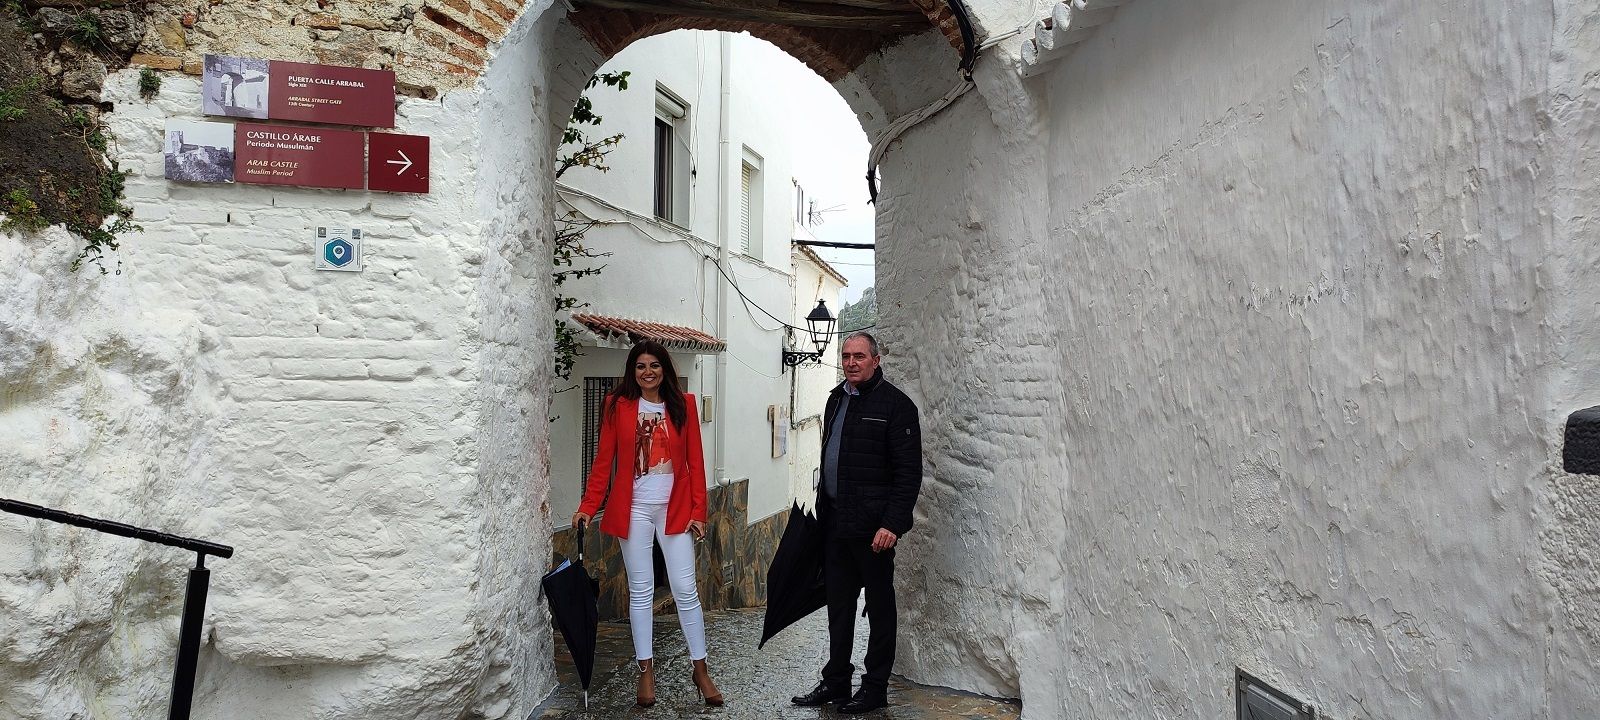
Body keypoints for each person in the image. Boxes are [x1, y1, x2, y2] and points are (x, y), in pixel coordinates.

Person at [572, 341, 723, 708]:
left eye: (654, 365)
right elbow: (604, 462)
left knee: (686, 590)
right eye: (640, 366)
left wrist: (699, 512)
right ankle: (646, 670)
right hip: (634, 509)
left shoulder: (683, 404)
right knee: (640, 592)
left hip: (674, 510)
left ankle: (700, 668)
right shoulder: (617, 407)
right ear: (632, 371)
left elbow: (696, 462)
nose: (647, 372)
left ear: (664, 369)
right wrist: (588, 506)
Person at [791, 332, 922, 714]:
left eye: (859, 356)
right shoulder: (835, 399)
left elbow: (908, 473)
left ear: (876, 360)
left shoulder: (898, 407)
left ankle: (875, 687)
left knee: (880, 610)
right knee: (839, 609)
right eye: (846, 356)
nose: (851, 362)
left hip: (874, 532)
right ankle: (835, 683)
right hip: (835, 524)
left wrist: (892, 524)